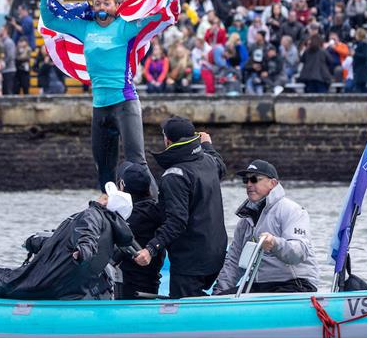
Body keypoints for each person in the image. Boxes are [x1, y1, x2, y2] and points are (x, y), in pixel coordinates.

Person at [40, 0, 179, 192]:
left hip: (125, 104)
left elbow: (164, 16)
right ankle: (110, 212)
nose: (101, 6)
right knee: (104, 169)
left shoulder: (125, 28)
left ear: (116, 5)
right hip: (100, 108)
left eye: (106, 2)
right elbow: (50, 20)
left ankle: (156, 206)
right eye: (97, 3)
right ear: (92, 7)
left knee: (137, 164)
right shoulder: (85, 28)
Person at [0, 183, 136, 300]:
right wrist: (35, 242)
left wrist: (83, 252)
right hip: (73, 287)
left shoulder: (93, 214)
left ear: (105, 203)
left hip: (49, 283)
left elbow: (87, 235)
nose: (101, 196)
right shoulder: (111, 232)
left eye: (105, 196)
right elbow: (62, 242)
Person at [134, 117, 227, 299]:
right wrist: (207, 145)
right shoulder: (209, 161)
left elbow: (177, 222)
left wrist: (151, 249)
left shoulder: (175, 175)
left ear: (167, 140)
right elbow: (220, 166)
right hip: (215, 255)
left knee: (184, 306)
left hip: (191, 262)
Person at [214, 160, 319, 295]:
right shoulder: (244, 223)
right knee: (222, 294)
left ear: (273, 183)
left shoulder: (292, 210)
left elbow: (299, 252)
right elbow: (234, 263)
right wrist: (218, 295)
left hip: (296, 283)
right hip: (260, 285)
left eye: (254, 179)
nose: (249, 184)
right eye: (246, 180)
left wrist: (275, 243)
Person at [114, 162, 165, 299]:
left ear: (123, 186)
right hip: (152, 285)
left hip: (128, 289)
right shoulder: (157, 211)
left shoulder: (126, 218)